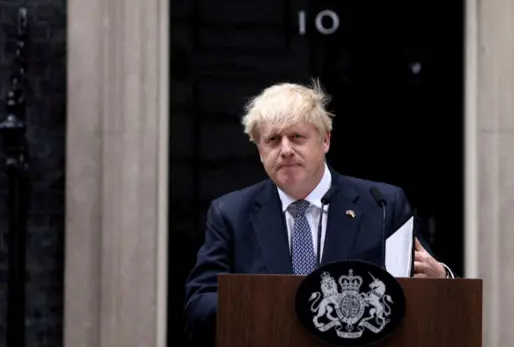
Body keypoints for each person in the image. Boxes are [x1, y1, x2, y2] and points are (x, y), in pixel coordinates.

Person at [183, 81, 454, 344]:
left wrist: (442, 278)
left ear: (325, 140)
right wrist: (265, 303)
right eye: (273, 140)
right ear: (260, 150)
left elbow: (425, 292)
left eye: (297, 137)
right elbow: (199, 305)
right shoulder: (230, 214)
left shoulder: (382, 205)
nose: (285, 150)